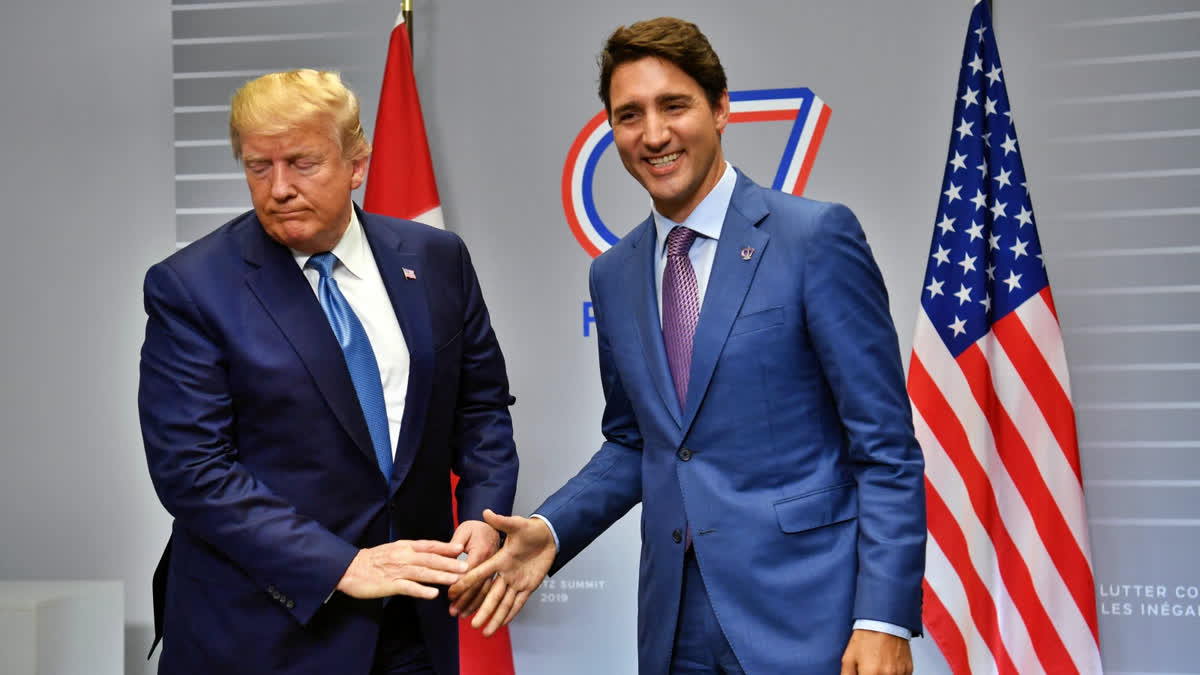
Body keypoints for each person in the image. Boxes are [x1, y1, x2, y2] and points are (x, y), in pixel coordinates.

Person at [449, 17, 925, 675]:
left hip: (809, 619)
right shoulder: (613, 273)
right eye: (628, 115)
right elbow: (638, 441)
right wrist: (554, 529)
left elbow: (886, 448)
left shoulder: (814, 238)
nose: (653, 134)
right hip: (674, 627)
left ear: (722, 107)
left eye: (674, 105)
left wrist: (883, 618)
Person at [138, 69, 518, 675]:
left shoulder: (438, 259)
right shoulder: (192, 287)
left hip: (413, 626)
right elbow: (193, 470)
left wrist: (482, 514)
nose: (279, 187)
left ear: (356, 163)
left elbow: (480, 409)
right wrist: (341, 565)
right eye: (259, 167)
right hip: (262, 632)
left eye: (302, 163)